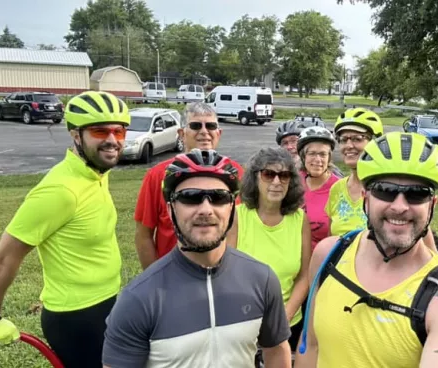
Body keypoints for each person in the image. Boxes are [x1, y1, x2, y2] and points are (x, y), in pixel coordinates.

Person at [295, 132, 438, 368]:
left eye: (417, 194)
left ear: (432, 205)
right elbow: (310, 346)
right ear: (366, 198)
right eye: (385, 190)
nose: (400, 206)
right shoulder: (328, 255)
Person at [0, 91, 130, 368]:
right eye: (99, 130)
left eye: (119, 131)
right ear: (75, 135)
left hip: (106, 301)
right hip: (76, 317)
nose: (111, 140)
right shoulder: (60, 190)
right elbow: (3, 257)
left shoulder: (94, 174)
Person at [102, 149, 292, 368]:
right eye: (190, 198)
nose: (205, 209)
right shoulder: (138, 299)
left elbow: (277, 350)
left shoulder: (262, 279)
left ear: (232, 207)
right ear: (170, 208)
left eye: (219, 198)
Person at [134, 102, 244, 270]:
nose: (204, 132)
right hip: (173, 274)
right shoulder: (156, 176)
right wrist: (155, 280)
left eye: (210, 126)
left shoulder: (237, 173)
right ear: (181, 133)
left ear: (218, 133)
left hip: (222, 274)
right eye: (195, 125)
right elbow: (144, 235)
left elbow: (237, 228)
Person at [225, 147, 311, 356]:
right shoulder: (237, 216)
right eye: (268, 174)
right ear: (255, 178)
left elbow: (304, 276)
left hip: (289, 324)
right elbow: (225, 275)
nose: (276, 181)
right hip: (243, 322)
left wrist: (285, 316)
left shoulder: (300, 220)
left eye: (284, 175)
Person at [326, 107, 438, 251]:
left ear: (376, 142)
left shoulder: (391, 189)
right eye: (343, 139)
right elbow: (330, 239)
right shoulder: (337, 188)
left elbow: (423, 238)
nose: (348, 145)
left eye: (357, 139)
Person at [296, 125, 342, 252]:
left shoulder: (340, 189)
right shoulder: (292, 182)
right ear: (303, 156)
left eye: (323, 154)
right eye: (312, 153)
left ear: (329, 158)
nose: (318, 159)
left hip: (321, 262)